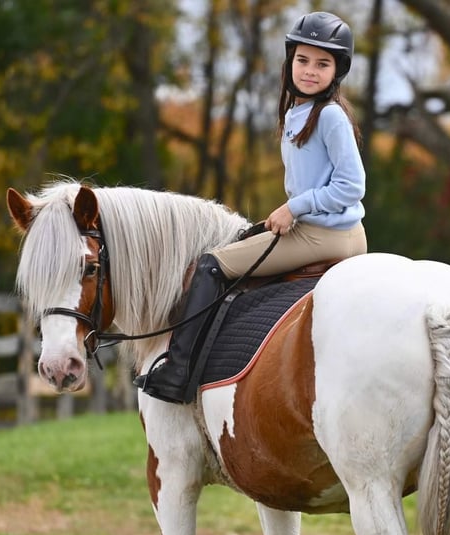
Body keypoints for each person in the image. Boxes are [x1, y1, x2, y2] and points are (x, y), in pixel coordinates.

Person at [135, 11, 367, 404]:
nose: (310, 71)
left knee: (211, 264)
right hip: (319, 229)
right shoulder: (299, 113)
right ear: (290, 62)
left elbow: (352, 186)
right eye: (303, 60)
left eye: (322, 64)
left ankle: (176, 373)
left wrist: (295, 208)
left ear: (337, 71)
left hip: (327, 235)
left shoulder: (329, 116)